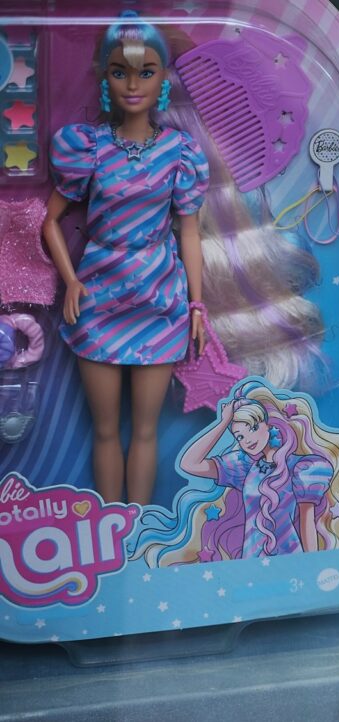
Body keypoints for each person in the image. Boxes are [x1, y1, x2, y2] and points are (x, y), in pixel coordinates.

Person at [41, 11, 209, 505]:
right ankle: (110, 529)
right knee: (107, 428)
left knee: (147, 430)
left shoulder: (180, 152)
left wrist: (196, 304)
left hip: (159, 299)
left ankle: (136, 533)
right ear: (104, 77)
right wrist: (71, 281)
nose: (132, 84)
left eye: (146, 71)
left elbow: (190, 232)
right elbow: (50, 220)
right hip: (98, 297)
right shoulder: (88, 148)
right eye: (120, 71)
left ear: (162, 78)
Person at [129, 381, 339, 565]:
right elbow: (190, 464)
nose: (248, 441)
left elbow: (307, 523)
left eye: (253, 428)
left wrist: (311, 566)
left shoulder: (303, 469)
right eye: (239, 437)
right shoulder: (243, 466)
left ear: (268, 425)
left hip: (290, 558)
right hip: (251, 559)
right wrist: (223, 422)